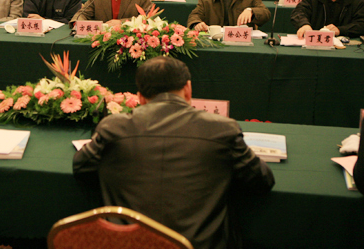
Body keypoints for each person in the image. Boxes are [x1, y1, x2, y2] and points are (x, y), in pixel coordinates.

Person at [73, 56, 275, 249]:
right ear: (188, 89)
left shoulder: (113, 128)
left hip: (127, 244)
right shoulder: (222, 129)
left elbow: (81, 168)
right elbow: (262, 180)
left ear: (140, 97)